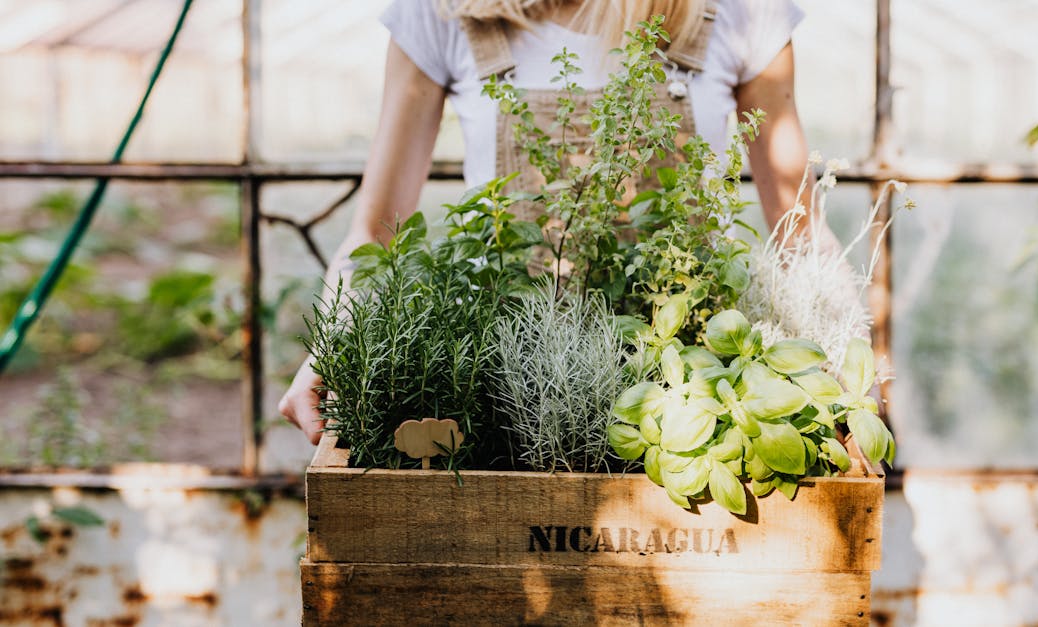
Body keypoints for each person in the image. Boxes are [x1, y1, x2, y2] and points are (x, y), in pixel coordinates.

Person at [279, 0, 815, 444]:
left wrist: (844, 370)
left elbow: (801, 232)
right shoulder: (442, 11)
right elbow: (376, 234)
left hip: (686, 390)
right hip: (500, 388)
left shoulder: (739, 12)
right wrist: (335, 342)